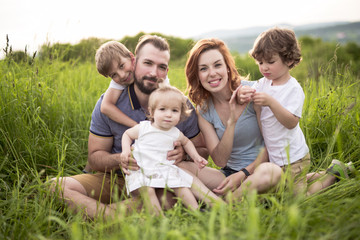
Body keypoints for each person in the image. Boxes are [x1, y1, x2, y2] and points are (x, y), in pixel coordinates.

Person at [51, 35, 208, 218]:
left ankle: (100, 217)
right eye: (147, 63)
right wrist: (122, 158)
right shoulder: (109, 103)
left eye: (161, 67)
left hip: (159, 181)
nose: (153, 73)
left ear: (167, 71)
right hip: (115, 178)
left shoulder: (180, 105)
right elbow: (95, 158)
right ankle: (115, 219)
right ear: (135, 61)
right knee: (55, 187)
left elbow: (202, 150)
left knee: (172, 195)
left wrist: (185, 154)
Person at [238, 27, 353, 195]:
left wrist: (271, 102)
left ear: (289, 60)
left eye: (270, 62)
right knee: (286, 186)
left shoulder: (293, 89)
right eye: (260, 62)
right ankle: (329, 170)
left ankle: (333, 175)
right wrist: (243, 94)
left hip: (294, 158)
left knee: (299, 199)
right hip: (276, 157)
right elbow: (250, 94)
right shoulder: (263, 83)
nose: (264, 67)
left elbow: (291, 122)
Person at [178, 38, 283, 201]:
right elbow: (220, 160)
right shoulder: (204, 110)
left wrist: (243, 174)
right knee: (180, 167)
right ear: (197, 75)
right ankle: (228, 199)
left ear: (227, 67)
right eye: (203, 69)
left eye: (217, 65)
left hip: (260, 170)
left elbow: (273, 145)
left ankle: (224, 204)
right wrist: (232, 121)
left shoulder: (253, 92)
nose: (212, 73)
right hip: (228, 175)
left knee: (272, 173)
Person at [121, 85, 222, 214]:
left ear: (180, 115)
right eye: (162, 109)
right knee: (148, 190)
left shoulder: (175, 132)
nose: (168, 114)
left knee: (181, 184)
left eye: (174, 111)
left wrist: (196, 157)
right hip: (141, 169)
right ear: (152, 112)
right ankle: (157, 217)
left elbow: (187, 143)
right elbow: (127, 135)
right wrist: (125, 151)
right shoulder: (144, 128)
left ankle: (196, 211)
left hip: (163, 168)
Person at [83, 40, 170, 173]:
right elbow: (105, 107)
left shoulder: (155, 76)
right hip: (117, 172)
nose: (122, 75)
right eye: (114, 75)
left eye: (122, 66)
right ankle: (87, 171)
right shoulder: (119, 83)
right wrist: (136, 126)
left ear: (132, 58)